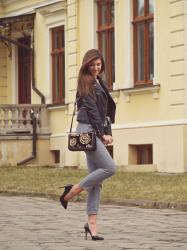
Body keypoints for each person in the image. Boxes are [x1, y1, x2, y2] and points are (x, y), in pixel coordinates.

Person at [60, 49, 116, 241]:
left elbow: (105, 112)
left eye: (98, 64)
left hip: (95, 131)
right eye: (92, 65)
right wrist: (101, 135)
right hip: (87, 131)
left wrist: (107, 133)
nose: (95, 68)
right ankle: (72, 191)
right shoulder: (86, 81)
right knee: (109, 167)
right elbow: (92, 111)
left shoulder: (99, 81)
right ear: (86, 65)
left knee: (96, 182)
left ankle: (91, 225)